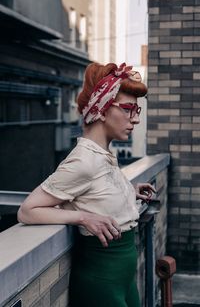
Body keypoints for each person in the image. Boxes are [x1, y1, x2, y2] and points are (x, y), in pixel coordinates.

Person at [17, 62, 156, 307]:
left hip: (123, 281)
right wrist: (83, 218)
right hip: (100, 284)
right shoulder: (84, 160)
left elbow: (94, 192)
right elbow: (27, 210)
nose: (134, 119)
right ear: (101, 109)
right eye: (127, 109)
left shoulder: (102, 154)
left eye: (137, 111)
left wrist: (128, 191)